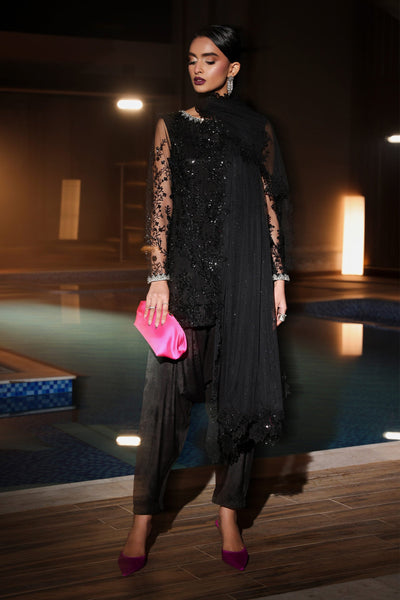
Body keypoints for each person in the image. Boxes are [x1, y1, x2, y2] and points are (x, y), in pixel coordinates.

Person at [118, 24, 290, 576]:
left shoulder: (256, 129)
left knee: (239, 402)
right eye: (192, 59)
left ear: (231, 68)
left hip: (244, 283)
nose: (197, 68)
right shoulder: (171, 126)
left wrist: (277, 277)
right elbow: (160, 205)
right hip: (185, 283)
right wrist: (158, 276)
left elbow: (268, 205)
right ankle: (143, 519)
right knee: (162, 408)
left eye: (209, 60)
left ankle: (229, 515)